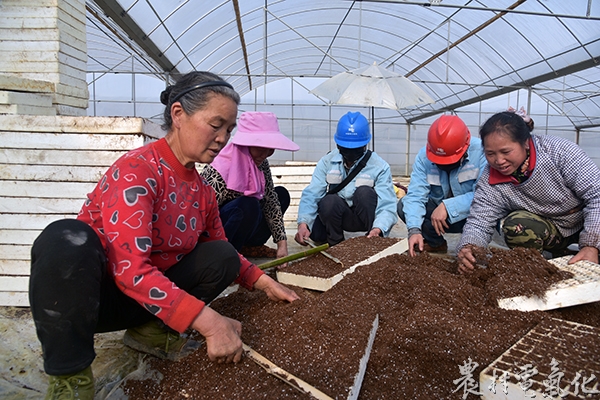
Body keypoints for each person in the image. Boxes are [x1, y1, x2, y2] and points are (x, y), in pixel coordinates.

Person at [28, 71, 300, 399]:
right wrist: (210, 322)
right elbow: (130, 270)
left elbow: (222, 247)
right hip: (96, 301)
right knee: (65, 239)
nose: (223, 138)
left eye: (229, 129)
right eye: (216, 125)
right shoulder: (137, 171)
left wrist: (263, 281)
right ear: (178, 114)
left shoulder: (202, 192)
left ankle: (149, 331)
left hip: (148, 303)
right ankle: (70, 379)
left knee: (222, 255)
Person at [456, 109, 600, 273]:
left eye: (506, 152)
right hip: (553, 230)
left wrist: (591, 245)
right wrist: (468, 247)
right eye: (490, 154)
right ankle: (539, 272)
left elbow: (596, 195)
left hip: (586, 220)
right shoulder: (490, 181)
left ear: (525, 142)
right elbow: (479, 222)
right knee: (516, 225)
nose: (499, 161)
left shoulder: (558, 152)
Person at [200, 111, 299, 259]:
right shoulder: (219, 169)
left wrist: (282, 244)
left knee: (280, 194)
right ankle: (228, 254)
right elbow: (202, 214)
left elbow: (270, 201)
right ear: (245, 145)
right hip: (219, 234)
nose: (265, 154)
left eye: (270, 149)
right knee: (248, 205)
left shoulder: (261, 164)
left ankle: (250, 246)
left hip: (246, 227)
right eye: (260, 148)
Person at [295, 111, 398, 247]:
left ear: (365, 145)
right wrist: (303, 224)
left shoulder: (379, 166)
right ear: (338, 144)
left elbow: (387, 204)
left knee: (364, 193)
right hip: (340, 216)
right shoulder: (327, 162)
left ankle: (373, 239)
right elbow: (312, 194)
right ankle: (336, 244)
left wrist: (379, 227)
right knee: (328, 202)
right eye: (345, 148)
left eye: (355, 148)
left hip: (365, 218)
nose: (350, 152)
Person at [398, 114, 487, 256]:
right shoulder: (424, 157)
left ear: (465, 148)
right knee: (404, 204)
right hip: (438, 219)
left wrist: (448, 206)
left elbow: (486, 195)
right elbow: (415, 195)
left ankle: (474, 244)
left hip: (471, 217)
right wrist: (414, 230)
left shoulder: (482, 153)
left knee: (487, 209)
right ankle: (435, 243)